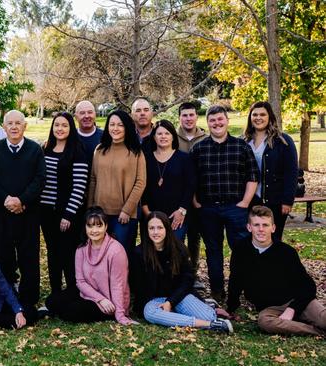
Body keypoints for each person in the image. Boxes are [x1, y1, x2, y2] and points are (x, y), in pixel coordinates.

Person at [190, 105, 259, 302]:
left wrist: (245, 202)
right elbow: (192, 179)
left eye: (220, 119)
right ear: (207, 123)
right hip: (208, 208)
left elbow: (252, 176)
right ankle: (217, 291)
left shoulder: (241, 147)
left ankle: (240, 291)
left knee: (240, 249)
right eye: (212, 120)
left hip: (235, 207)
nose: (217, 123)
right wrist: (195, 202)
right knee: (213, 251)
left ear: (227, 121)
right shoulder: (199, 149)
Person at [226, 206, 325, 336]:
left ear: (273, 228)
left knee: (324, 319)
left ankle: (309, 324)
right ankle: (316, 331)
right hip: (271, 309)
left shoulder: (286, 252)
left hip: (298, 301)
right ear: (249, 227)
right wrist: (230, 308)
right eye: (256, 225)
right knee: (264, 322)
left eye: (265, 225)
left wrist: (292, 309)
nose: (261, 229)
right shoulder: (241, 251)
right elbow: (235, 280)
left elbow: (308, 287)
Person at [0, 110, 46, 308]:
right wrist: (7, 199)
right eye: (10, 123)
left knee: (29, 257)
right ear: (4, 126)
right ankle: (7, 297)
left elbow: (40, 179)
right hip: (1, 215)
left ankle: (29, 300)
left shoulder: (35, 150)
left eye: (18, 123)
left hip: (28, 214)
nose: (14, 127)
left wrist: (22, 200)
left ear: (24, 126)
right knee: (3, 257)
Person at [133, 212, 233, 333]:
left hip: (179, 296)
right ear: (146, 230)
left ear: (167, 229)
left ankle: (204, 310)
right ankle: (211, 325)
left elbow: (188, 280)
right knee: (149, 314)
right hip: (154, 300)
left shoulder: (178, 249)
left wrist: (171, 302)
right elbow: (139, 287)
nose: (155, 232)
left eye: (160, 227)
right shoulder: (139, 253)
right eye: (151, 228)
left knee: (208, 315)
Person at [45, 207, 134, 325]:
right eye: (90, 226)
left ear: (106, 226)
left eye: (99, 225)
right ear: (85, 228)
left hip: (110, 302)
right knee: (51, 301)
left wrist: (120, 314)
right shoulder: (82, 248)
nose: (94, 230)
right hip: (91, 294)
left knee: (71, 312)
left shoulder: (116, 251)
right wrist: (99, 299)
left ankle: (103, 313)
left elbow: (118, 285)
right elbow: (80, 281)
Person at [40, 112, 89, 293]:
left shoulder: (78, 151)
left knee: (67, 253)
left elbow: (79, 187)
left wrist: (68, 214)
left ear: (71, 128)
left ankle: (71, 291)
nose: (59, 129)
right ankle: (55, 292)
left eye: (64, 125)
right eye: (56, 125)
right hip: (46, 212)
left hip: (67, 213)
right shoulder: (45, 149)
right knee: (52, 252)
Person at [87, 109, 145, 254]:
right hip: (100, 214)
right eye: (112, 124)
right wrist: (90, 209)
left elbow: (140, 182)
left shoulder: (135, 151)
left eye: (120, 125)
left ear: (127, 127)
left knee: (120, 255)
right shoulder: (100, 150)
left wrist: (127, 210)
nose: (115, 128)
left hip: (124, 215)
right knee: (101, 254)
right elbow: (93, 179)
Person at [243, 101, 298, 240]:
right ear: (250, 117)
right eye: (254, 114)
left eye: (262, 114)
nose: (258, 117)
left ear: (270, 117)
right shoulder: (243, 142)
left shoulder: (283, 141)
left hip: (275, 200)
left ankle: (275, 263)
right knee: (252, 239)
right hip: (250, 200)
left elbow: (291, 172)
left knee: (273, 239)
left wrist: (287, 201)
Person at [141, 120, 195, 241]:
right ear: (154, 137)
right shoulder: (145, 158)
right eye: (159, 134)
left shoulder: (184, 159)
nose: (163, 136)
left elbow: (190, 186)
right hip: (151, 214)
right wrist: (147, 212)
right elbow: (141, 185)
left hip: (176, 215)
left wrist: (181, 211)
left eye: (167, 133)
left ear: (173, 137)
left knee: (174, 252)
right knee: (152, 253)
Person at [176, 102, 207, 288]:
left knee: (195, 237)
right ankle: (178, 273)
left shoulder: (204, 138)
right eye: (184, 115)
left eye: (191, 115)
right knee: (178, 238)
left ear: (196, 116)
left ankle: (193, 274)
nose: (188, 118)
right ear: (180, 117)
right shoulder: (173, 137)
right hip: (178, 197)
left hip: (199, 198)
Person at [74, 100, 103, 165]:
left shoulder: (105, 137)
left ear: (95, 115)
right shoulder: (70, 136)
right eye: (82, 113)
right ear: (76, 117)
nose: (87, 116)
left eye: (90, 112)